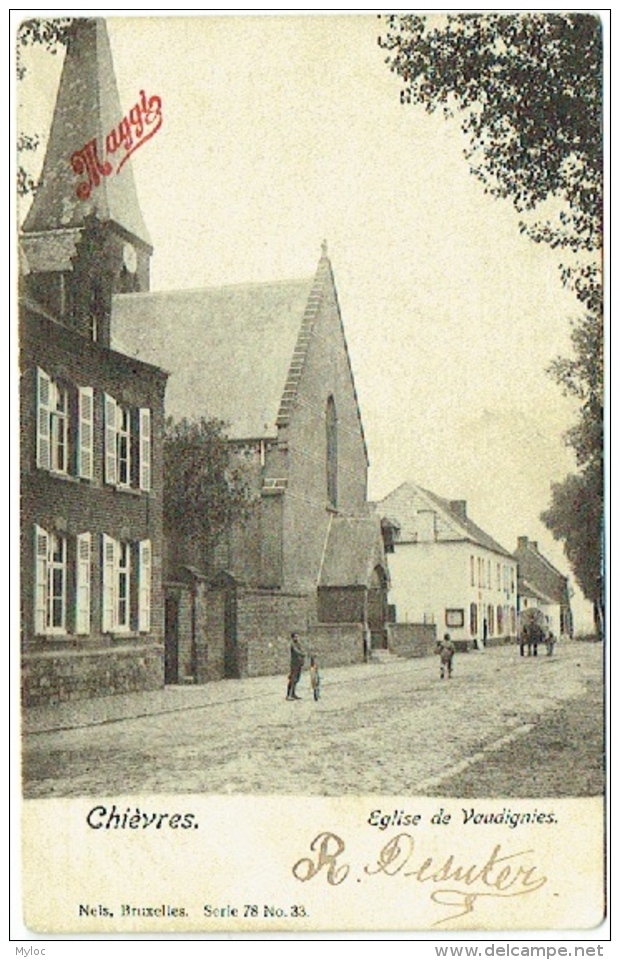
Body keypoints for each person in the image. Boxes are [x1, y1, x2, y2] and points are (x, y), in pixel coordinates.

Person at [286, 633, 306, 700]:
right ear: (292, 638)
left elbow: (301, 650)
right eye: (295, 637)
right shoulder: (292, 644)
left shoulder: (298, 644)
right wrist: (303, 654)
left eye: (297, 637)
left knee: (296, 680)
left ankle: (293, 694)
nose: (297, 638)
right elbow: (296, 651)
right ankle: (288, 695)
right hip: (294, 664)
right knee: (292, 679)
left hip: (298, 664)